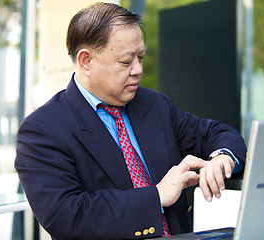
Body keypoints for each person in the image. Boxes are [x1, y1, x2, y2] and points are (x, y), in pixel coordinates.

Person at [15, 2, 247, 240]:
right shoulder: (43, 129)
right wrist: (156, 196)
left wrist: (223, 157)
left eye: (141, 57)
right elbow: (67, 216)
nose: (138, 70)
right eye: (126, 62)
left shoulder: (155, 105)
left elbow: (215, 134)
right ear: (86, 61)